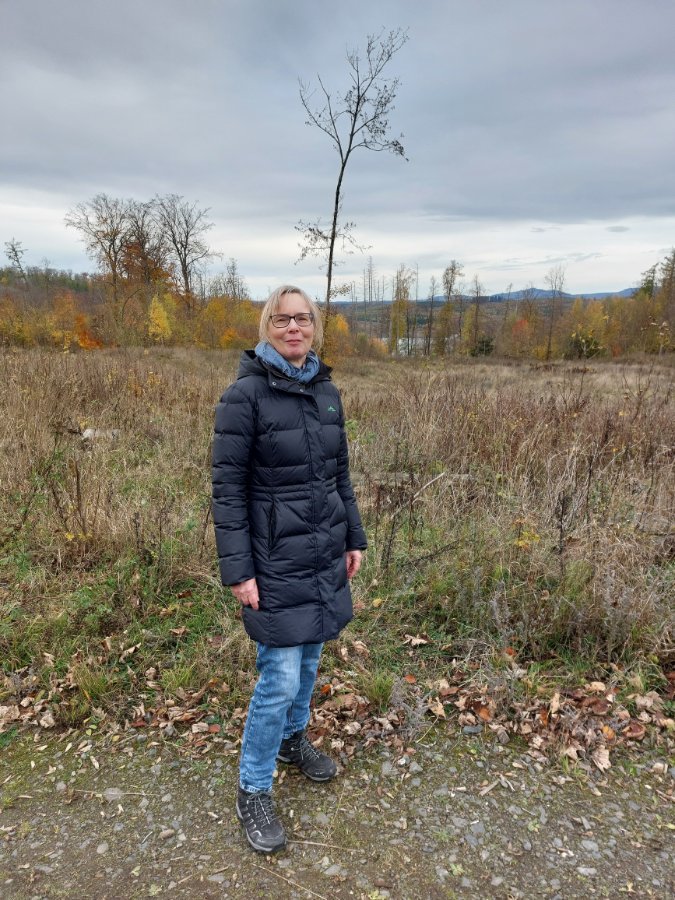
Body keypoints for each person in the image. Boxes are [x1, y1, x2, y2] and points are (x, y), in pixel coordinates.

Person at [212, 285, 367, 853]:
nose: (294, 328)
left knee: (309, 660)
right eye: (283, 320)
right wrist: (240, 571)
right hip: (273, 559)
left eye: (303, 319)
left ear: (315, 326)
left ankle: (291, 742)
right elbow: (227, 492)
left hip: (323, 552)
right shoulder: (244, 396)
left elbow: (339, 474)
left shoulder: (326, 391)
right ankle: (253, 789)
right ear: (267, 326)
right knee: (277, 677)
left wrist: (353, 537)